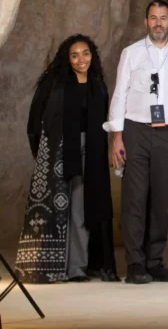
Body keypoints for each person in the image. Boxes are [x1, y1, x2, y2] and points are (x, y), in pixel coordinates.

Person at [106, 0, 168, 284]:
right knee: (135, 198)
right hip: (136, 130)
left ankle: (154, 261)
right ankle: (135, 263)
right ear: (146, 22)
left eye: (163, 18)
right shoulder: (131, 53)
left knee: (160, 199)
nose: (158, 23)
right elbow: (120, 93)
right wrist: (117, 136)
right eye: (153, 18)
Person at [16, 35, 118, 284]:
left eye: (86, 53)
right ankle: (50, 267)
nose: (81, 59)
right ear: (67, 58)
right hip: (59, 152)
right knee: (57, 211)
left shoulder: (97, 85)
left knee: (81, 210)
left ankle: (77, 268)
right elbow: (35, 121)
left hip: (90, 153)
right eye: (75, 55)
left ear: (92, 56)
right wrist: (44, 155)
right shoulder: (54, 84)